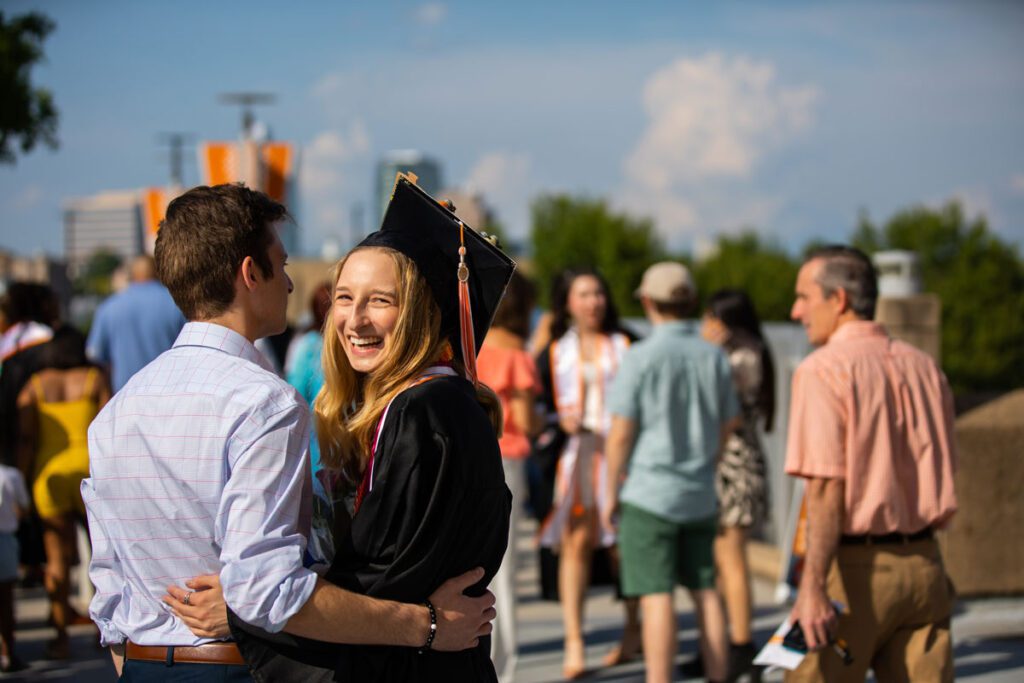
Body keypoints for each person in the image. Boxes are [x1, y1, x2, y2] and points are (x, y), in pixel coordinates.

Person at [82, 183, 496, 682]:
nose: (294, 285)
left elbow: (109, 587)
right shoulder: (263, 402)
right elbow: (264, 588)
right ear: (250, 273)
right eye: (280, 265)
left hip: (146, 667)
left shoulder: (114, 412)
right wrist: (429, 625)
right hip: (241, 669)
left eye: (379, 299)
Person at [784, 245, 958, 682]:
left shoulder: (821, 370)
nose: (795, 310)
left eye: (804, 297)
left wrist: (811, 587)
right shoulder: (926, 368)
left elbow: (825, 488)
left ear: (838, 300)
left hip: (853, 570)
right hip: (925, 563)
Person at [602, 262, 740, 683]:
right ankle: (720, 675)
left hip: (649, 493)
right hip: (698, 491)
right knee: (706, 592)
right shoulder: (714, 355)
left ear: (647, 302)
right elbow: (729, 423)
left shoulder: (640, 356)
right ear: (692, 302)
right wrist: (708, 461)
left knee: (656, 597)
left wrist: (610, 490)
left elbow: (622, 432)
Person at [536, 266, 640, 679]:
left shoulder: (628, 342)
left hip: (621, 454)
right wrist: (557, 420)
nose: (593, 301)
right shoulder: (554, 350)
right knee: (575, 543)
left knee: (624, 546)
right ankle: (574, 640)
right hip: (577, 454)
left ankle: (633, 629)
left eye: (598, 293)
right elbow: (539, 403)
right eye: (584, 294)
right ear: (567, 302)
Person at [17, 327, 111, 659]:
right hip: (90, 472)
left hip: (50, 474)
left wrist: (24, 479)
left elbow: (27, 439)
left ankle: (59, 638)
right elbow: (108, 425)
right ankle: (105, 629)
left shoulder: (36, 385)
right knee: (103, 554)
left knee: (56, 558)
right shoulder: (93, 378)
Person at [702, 288, 776, 681]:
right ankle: (721, 643)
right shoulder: (743, 347)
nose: (707, 326)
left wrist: (705, 352)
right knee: (719, 558)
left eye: (713, 317)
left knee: (731, 557)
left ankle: (742, 646)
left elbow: (717, 401)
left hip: (735, 461)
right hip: (728, 460)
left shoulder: (742, 353)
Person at [477, 270, 541, 681]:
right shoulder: (519, 354)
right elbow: (526, 422)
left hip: (474, 459)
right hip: (509, 461)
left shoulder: (473, 347)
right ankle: (505, 665)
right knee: (506, 571)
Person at [284, 282, 334, 565]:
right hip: (325, 453)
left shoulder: (307, 346)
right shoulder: (329, 346)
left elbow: (293, 394)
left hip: (315, 454)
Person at [86, 254, 185, 393]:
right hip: (170, 392)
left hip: (125, 395)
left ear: (132, 275)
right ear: (159, 272)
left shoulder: (109, 308)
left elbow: (95, 356)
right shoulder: (177, 304)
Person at [0, 462, 30, 673]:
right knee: (6, 601)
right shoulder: (10, 475)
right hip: (4, 540)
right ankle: (7, 653)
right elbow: (23, 506)